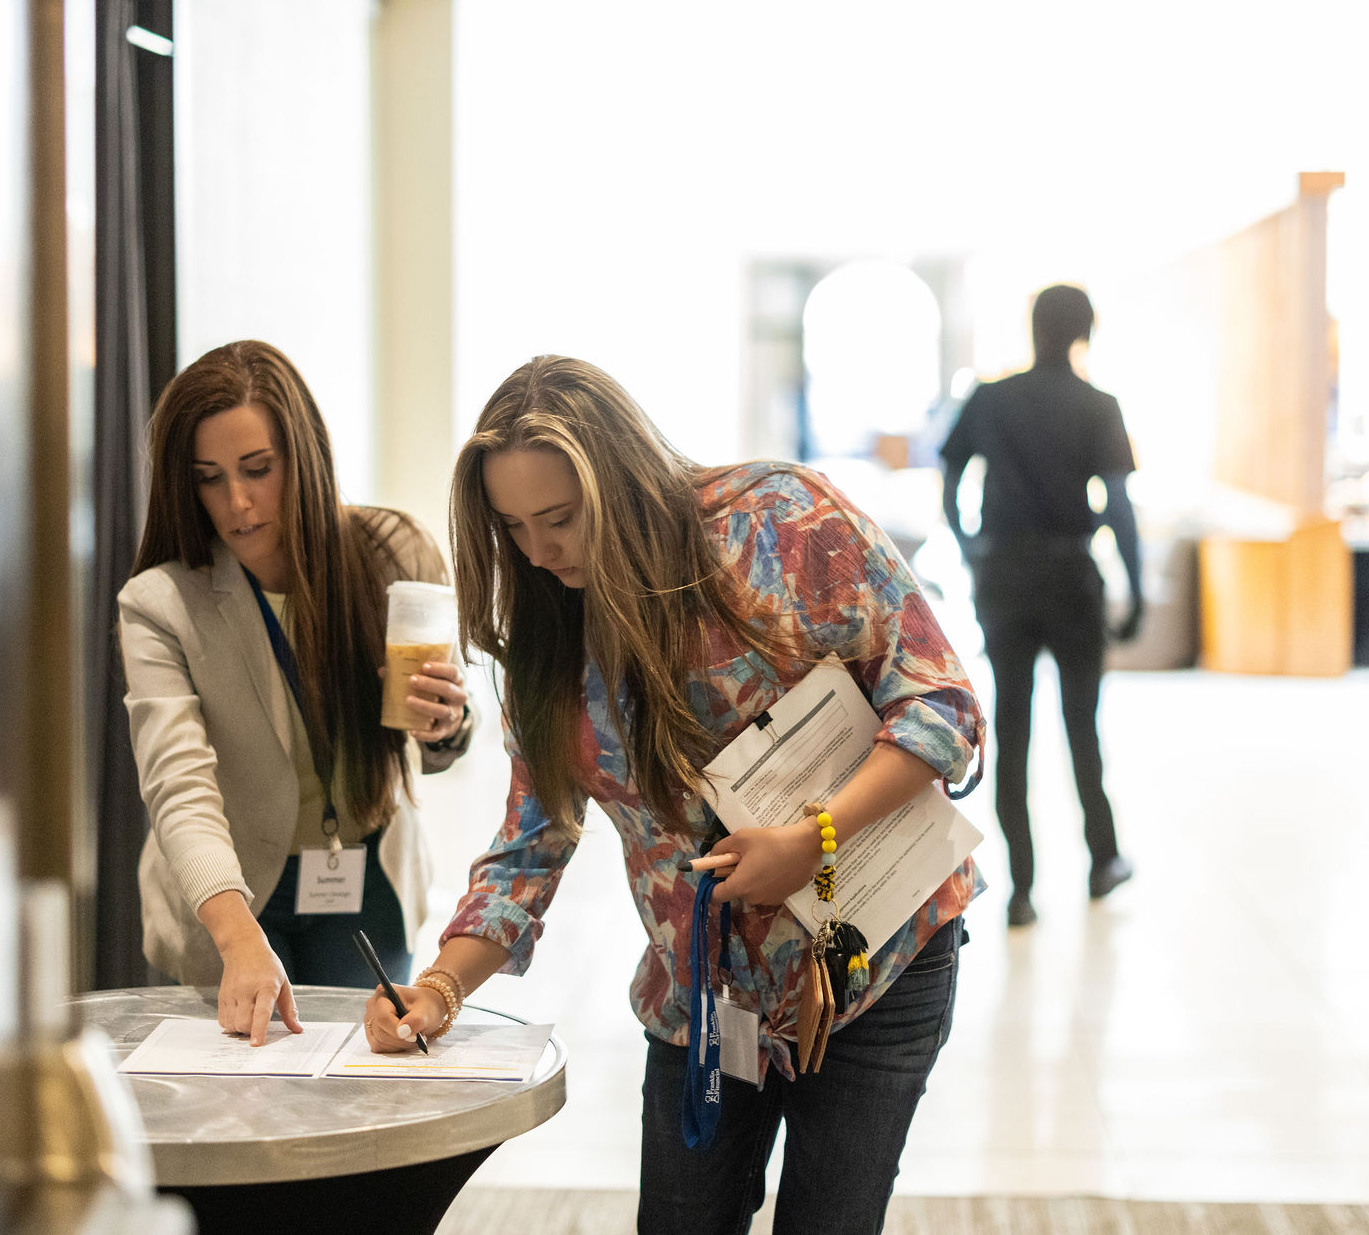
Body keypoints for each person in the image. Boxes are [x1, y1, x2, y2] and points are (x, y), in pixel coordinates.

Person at [361, 356, 984, 1235]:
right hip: (703, 1000)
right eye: (513, 527)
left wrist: (815, 840)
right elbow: (529, 846)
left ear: (617, 481)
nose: (539, 552)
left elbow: (942, 705)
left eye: (560, 519)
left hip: (874, 962)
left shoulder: (782, 522)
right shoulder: (551, 628)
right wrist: (438, 991)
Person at [118, 340, 473, 1043]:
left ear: (303, 458)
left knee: (358, 1085)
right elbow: (178, 787)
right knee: (241, 1098)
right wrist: (237, 935)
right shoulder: (160, 604)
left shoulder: (393, 552)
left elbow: (443, 740)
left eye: (257, 470)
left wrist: (447, 725)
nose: (238, 503)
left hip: (365, 874)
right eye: (209, 478)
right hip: (229, 889)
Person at [939, 284, 1138, 929]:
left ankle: (1022, 889)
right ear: (1085, 332)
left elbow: (950, 477)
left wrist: (971, 544)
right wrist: (1133, 584)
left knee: (1013, 727)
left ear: (1031, 328)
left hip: (1006, 578)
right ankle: (1102, 861)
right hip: (1073, 575)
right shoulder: (1098, 405)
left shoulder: (992, 398)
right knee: (1084, 726)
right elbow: (1121, 505)